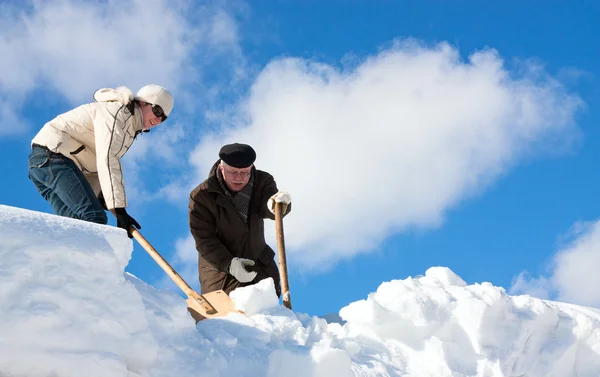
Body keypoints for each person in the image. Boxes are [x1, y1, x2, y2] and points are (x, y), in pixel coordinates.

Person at [27, 84, 174, 238]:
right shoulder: (119, 112)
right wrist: (119, 209)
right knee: (93, 218)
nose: (158, 119)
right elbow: (108, 159)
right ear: (143, 102)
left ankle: (66, 260)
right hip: (52, 157)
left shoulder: (129, 128)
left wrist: (107, 203)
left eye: (163, 118)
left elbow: (95, 167)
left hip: (46, 166)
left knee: (75, 225)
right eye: (157, 111)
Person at [188, 143, 292, 297]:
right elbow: (204, 240)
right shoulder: (202, 196)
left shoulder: (263, 181)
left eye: (244, 172)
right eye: (233, 172)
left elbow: (270, 205)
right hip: (221, 276)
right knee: (228, 320)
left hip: (260, 268)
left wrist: (278, 205)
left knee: (268, 319)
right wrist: (230, 264)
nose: (239, 178)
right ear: (222, 168)